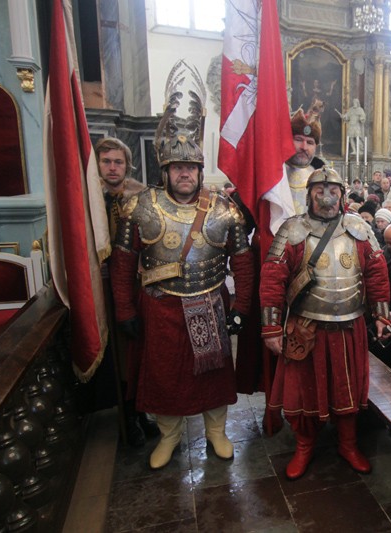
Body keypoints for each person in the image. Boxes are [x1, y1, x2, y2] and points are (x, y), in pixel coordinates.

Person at [110, 83, 255, 470]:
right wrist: (124, 309)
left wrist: (241, 306)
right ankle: (169, 437)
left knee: (212, 376)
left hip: (209, 301)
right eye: (178, 167)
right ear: (166, 170)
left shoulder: (225, 210)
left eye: (191, 167)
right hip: (159, 309)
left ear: (199, 171)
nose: (185, 174)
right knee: (163, 376)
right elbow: (123, 266)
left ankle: (216, 433)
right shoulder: (139, 208)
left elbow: (242, 264)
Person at [260, 167, 390, 480]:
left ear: (343, 195)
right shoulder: (292, 229)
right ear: (309, 194)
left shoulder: (359, 227)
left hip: (350, 327)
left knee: (347, 387)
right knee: (304, 391)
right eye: (319, 189)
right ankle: (304, 445)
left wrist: (382, 314)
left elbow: (376, 271)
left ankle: (348, 444)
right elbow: (273, 278)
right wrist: (271, 327)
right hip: (305, 327)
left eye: (333, 189)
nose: (326, 195)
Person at [94, 137, 154, 447]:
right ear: (98, 164)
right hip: (103, 285)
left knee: (139, 352)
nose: (113, 167)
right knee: (118, 354)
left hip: (137, 284)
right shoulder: (89, 199)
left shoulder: (140, 195)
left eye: (118, 161)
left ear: (127, 165)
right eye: (106, 161)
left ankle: (141, 412)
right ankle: (127, 417)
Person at [286, 109, 325, 215]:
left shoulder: (323, 177)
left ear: (315, 147)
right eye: (298, 140)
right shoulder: (272, 172)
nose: (304, 147)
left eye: (310, 142)